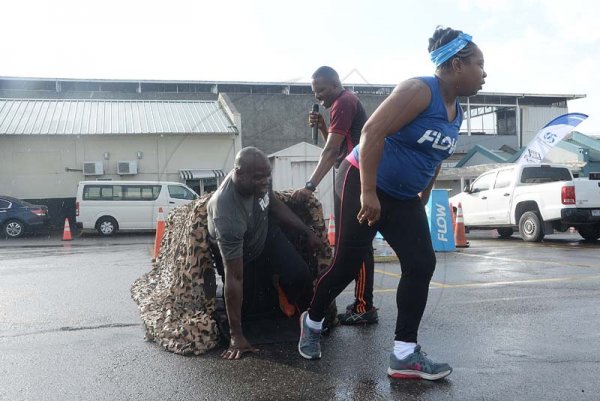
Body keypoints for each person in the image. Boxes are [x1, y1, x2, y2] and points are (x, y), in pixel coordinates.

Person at [298, 27, 486, 380]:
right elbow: (371, 132)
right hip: (362, 180)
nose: (484, 73)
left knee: (421, 262)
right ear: (457, 65)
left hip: (403, 196)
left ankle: (404, 354)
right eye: (479, 64)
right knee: (347, 265)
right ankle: (313, 319)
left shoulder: (456, 111)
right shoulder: (418, 90)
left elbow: (435, 157)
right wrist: (368, 191)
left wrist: (424, 197)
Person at [207, 147, 322, 360]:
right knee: (251, 309)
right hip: (241, 252)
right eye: (259, 177)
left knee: (301, 274)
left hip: (265, 233)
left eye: (268, 176)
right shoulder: (226, 211)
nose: (265, 181)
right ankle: (239, 330)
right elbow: (234, 276)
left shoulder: (260, 181)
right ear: (239, 174)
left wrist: (306, 232)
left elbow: (275, 206)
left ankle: (303, 318)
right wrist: (236, 335)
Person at [292, 66, 378, 325]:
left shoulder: (344, 102)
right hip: (353, 174)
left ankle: (362, 306)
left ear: (335, 84)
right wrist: (323, 127)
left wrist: (309, 185)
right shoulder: (343, 103)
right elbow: (341, 147)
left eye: (321, 91)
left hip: (354, 177)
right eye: (314, 93)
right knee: (357, 244)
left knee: (354, 246)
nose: (318, 98)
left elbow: (331, 153)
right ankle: (363, 304)